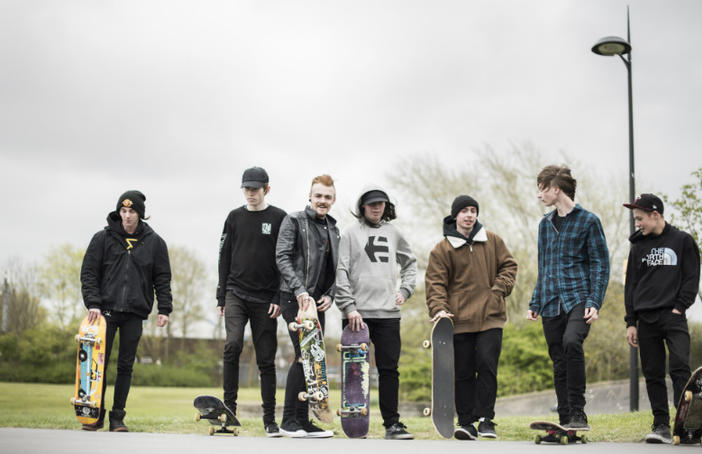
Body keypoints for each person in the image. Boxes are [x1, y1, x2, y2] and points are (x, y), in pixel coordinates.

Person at [425, 195, 518, 440]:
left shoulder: (493, 241)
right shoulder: (442, 249)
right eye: (464, 211)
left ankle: (487, 420)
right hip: (459, 320)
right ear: (455, 215)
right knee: (463, 372)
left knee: (487, 366)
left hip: (491, 317)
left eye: (473, 210)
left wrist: (499, 288)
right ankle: (466, 422)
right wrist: (439, 310)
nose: (469, 215)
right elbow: (435, 284)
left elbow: (509, 266)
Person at [80, 190, 172, 432]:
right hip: (104, 312)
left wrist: (165, 308)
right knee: (98, 366)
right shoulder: (102, 238)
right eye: (123, 211)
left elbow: (162, 278)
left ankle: (117, 417)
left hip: (134, 312)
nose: (127, 216)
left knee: (125, 366)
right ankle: (95, 415)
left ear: (140, 214)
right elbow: (89, 273)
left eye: (132, 211)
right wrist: (93, 303)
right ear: (118, 212)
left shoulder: (155, 243)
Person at [526, 165, 610, 431]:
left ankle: (578, 412)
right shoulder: (545, 225)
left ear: (556, 189)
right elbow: (544, 266)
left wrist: (594, 301)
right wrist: (535, 303)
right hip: (550, 301)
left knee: (572, 343)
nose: (539, 195)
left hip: (578, 298)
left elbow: (600, 264)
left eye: (542, 189)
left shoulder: (589, 221)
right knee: (558, 357)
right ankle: (564, 418)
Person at [335, 186, 417, 440]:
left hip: (388, 315)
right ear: (362, 207)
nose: (376, 207)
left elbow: (411, 262)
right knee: (355, 370)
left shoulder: (394, 233)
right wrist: (349, 307)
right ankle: (356, 423)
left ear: (386, 206)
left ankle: (392, 424)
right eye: (371, 204)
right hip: (357, 316)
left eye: (381, 203)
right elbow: (341, 272)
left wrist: (405, 289)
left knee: (389, 370)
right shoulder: (349, 233)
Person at [623, 193, 701, 444]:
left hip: (673, 316)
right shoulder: (637, 246)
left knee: (680, 367)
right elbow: (631, 286)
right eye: (636, 219)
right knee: (653, 373)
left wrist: (680, 307)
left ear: (655, 215)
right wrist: (631, 322)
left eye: (640, 218)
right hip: (645, 320)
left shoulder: (682, 241)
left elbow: (691, 278)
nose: (637, 223)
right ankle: (660, 426)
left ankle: (686, 424)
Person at [217, 167, 287, 437]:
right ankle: (228, 412)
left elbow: (284, 260)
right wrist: (221, 294)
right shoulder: (234, 218)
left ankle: (270, 420)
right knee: (232, 345)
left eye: (255, 189)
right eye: (246, 188)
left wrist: (279, 296)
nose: (250, 193)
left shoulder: (279, 218)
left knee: (266, 360)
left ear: (266, 189)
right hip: (236, 292)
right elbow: (223, 257)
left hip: (266, 299)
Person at [276, 174, 340, 438]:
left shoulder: (334, 229)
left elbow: (335, 269)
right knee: (304, 356)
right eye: (318, 196)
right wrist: (300, 290)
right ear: (310, 196)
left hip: (316, 304)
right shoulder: (293, 221)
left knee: (313, 360)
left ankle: (303, 421)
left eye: (327, 197)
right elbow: (282, 257)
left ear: (333, 200)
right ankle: (288, 420)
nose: (322, 201)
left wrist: (331, 294)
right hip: (294, 298)